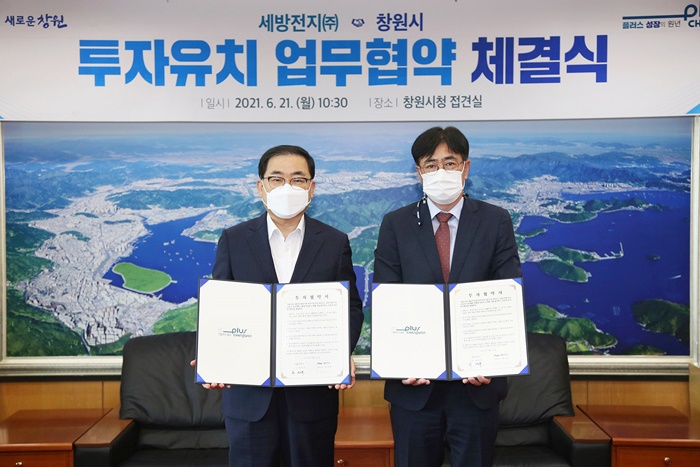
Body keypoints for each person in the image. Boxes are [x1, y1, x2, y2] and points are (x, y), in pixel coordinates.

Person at [195, 144, 364, 467]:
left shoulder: (334, 242)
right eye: (276, 179)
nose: (288, 187)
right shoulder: (234, 239)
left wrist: (340, 350)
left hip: (312, 395)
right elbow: (221, 305)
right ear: (261, 187)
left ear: (311, 188)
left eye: (298, 179)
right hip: (249, 398)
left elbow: (351, 307)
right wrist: (213, 356)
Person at [373, 126, 522, 467]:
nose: (441, 172)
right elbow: (387, 299)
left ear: (465, 168)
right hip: (413, 387)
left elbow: (507, 292)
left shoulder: (495, 220)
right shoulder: (395, 223)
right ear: (419, 173)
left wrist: (492, 360)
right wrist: (400, 361)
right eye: (431, 165)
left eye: (450, 163)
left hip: (476, 386)